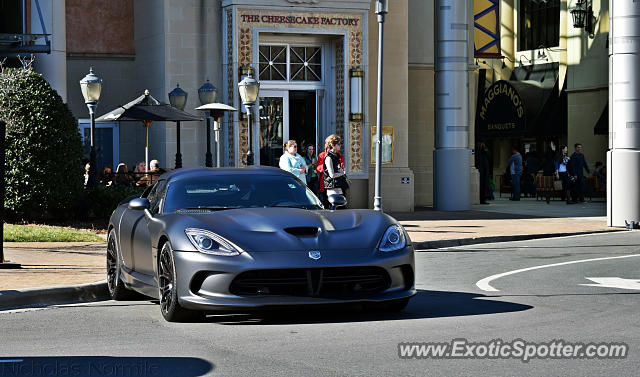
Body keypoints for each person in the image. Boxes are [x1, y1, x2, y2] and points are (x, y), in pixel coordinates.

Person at [322, 134, 349, 201]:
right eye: (338, 144)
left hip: (337, 186)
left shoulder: (335, 156)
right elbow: (332, 175)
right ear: (333, 145)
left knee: (341, 206)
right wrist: (343, 173)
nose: (340, 145)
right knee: (337, 207)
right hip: (333, 187)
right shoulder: (329, 157)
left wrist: (341, 171)